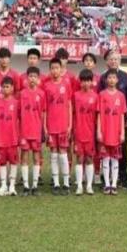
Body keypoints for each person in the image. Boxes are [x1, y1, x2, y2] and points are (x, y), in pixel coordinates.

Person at [98, 49, 127, 189]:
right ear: (107, 61)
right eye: (111, 59)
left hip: (121, 119)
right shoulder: (103, 77)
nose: (113, 61)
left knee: (122, 148)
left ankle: (122, 177)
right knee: (105, 149)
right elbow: (99, 98)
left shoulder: (125, 77)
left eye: (116, 59)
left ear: (119, 60)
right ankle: (106, 178)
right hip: (106, 120)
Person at [44, 58, 72, 196]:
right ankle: (56, 183)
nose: (55, 71)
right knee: (54, 154)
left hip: (63, 125)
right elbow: (44, 109)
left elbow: (70, 105)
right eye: (52, 68)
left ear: (61, 69)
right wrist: (45, 127)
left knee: (63, 153)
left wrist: (70, 125)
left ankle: (66, 183)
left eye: (57, 68)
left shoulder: (66, 84)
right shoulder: (46, 86)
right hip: (51, 125)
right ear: (50, 70)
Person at [98, 69, 126, 195]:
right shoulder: (102, 95)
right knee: (105, 158)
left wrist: (122, 132)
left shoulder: (121, 96)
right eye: (109, 78)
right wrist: (99, 131)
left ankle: (114, 184)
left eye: (114, 78)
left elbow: (122, 115)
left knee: (115, 158)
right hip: (105, 131)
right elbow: (99, 114)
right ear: (106, 79)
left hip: (116, 131)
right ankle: (107, 184)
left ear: (117, 80)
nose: (111, 80)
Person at [19, 66, 46, 196]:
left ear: (38, 78)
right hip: (24, 130)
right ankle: (25, 186)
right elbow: (18, 113)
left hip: (36, 130)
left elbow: (43, 112)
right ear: (27, 78)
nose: (32, 79)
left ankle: (34, 186)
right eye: (30, 76)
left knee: (36, 157)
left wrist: (43, 129)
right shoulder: (22, 94)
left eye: (35, 76)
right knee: (24, 156)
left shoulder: (41, 94)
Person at [73, 69, 98, 196]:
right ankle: (79, 186)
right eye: (83, 81)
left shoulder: (95, 96)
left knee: (89, 158)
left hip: (90, 133)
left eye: (88, 81)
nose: (86, 83)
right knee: (79, 158)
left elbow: (98, 116)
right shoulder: (75, 95)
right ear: (80, 82)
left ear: (92, 82)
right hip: (78, 132)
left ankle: (89, 186)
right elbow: (72, 113)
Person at [0, 77, 19, 197]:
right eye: (3, 87)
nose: (5, 89)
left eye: (7, 86)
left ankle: (12, 186)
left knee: (13, 162)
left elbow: (20, 119)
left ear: (12, 88)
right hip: (1, 138)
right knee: (2, 162)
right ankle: (3, 185)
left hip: (13, 138)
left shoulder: (16, 103)